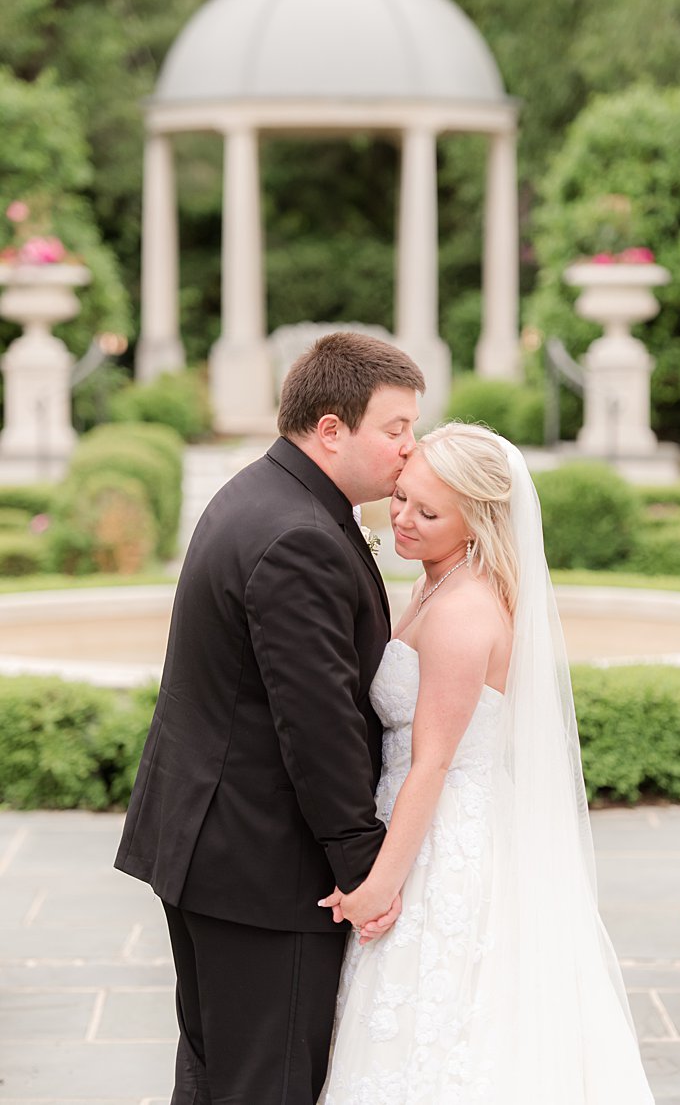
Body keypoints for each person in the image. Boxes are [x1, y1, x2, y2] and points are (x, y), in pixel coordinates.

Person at [114, 331, 425, 1103]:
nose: (409, 450)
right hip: (261, 866)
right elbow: (315, 725)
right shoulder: (298, 536)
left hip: (208, 846)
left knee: (218, 1072)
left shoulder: (264, 492)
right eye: (396, 429)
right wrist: (366, 870)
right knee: (269, 1082)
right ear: (330, 428)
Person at [316, 422, 655, 1103]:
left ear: (476, 521)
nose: (403, 520)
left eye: (428, 512)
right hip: (419, 811)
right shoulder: (436, 583)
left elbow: (433, 763)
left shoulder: (464, 611)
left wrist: (380, 883)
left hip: (443, 832)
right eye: (403, 499)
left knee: (441, 1022)